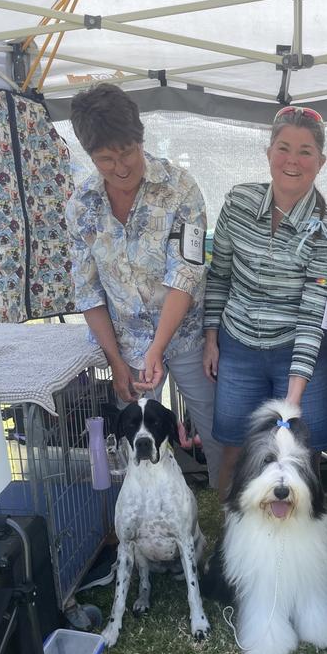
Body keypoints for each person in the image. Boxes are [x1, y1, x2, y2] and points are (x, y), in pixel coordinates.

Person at [65, 83, 222, 488]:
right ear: (89, 154)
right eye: (105, 160)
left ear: (141, 139)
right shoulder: (81, 205)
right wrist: (118, 362)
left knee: (216, 428)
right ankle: (138, 516)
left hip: (185, 335)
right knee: (134, 437)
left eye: (127, 153)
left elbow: (184, 274)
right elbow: (88, 292)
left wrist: (158, 348)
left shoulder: (180, 188)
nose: (120, 168)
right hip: (127, 347)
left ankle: (230, 514)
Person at [203, 105, 327, 498]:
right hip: (238, 345)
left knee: (301, 455)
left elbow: (314, 315)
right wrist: (212, 337)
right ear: (268, 152)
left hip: (301, 352)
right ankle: (228, 540)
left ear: (321, 162)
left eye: (305, 151)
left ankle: (302, 547)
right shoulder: (238, 202)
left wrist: (294, 398)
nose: (292, 160)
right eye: (283, 148)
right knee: (235, 449)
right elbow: (220, 275)